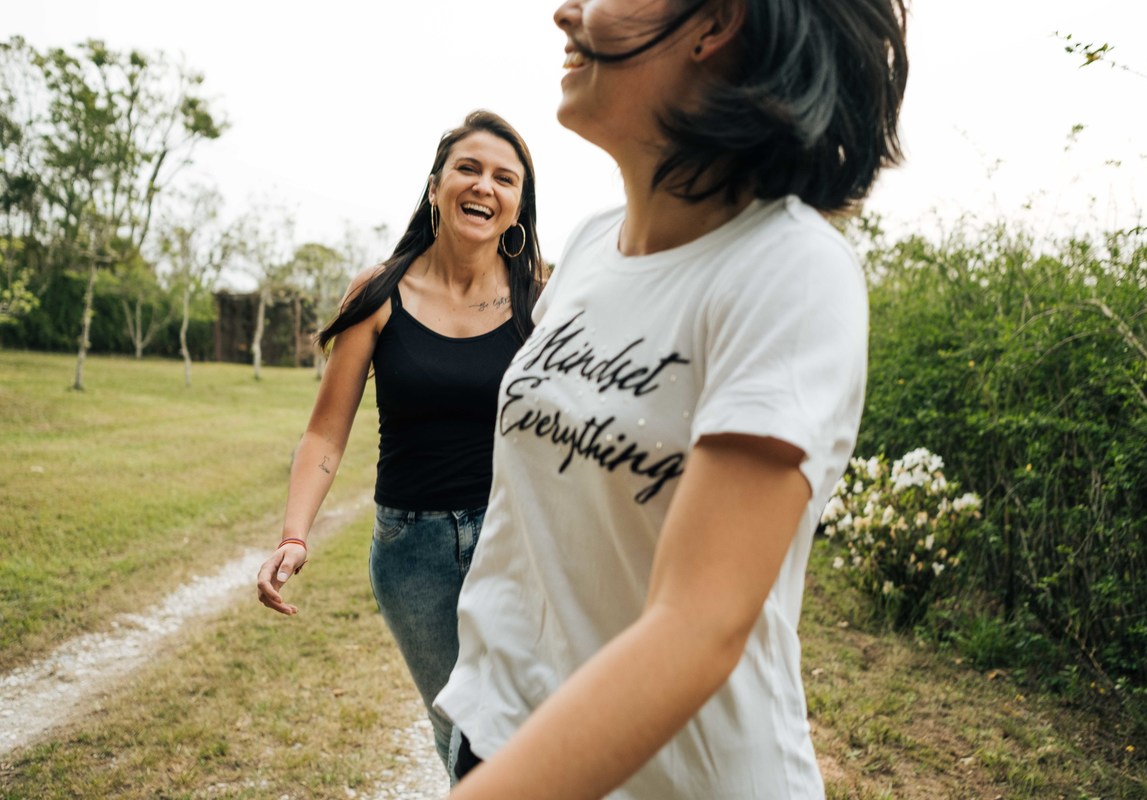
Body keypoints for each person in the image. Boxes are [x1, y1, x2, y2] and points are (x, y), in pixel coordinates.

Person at [435, 0, 907, 797]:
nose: (566, 12)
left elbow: (699, 625)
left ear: (713, 23)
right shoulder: (589, 245)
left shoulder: (788, 270)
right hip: (507, 740)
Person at [254, 110, 544, 773]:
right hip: (414, 554)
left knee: (514, 734)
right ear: (437, 182)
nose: (484, 186)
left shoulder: (540, 303)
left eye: (505, 177)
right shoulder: (381, 291)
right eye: (468, 168)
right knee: (461, 734)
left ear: (519, 203)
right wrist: (295, 536)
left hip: (516, 542)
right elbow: (326, 433)